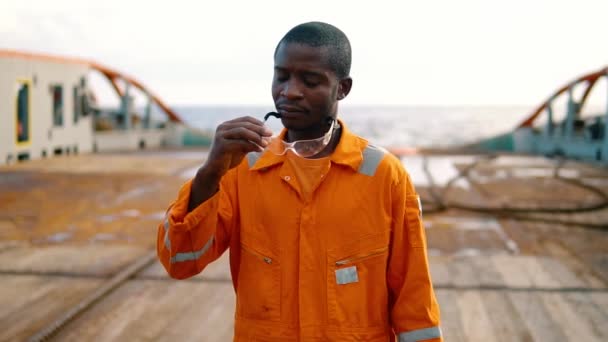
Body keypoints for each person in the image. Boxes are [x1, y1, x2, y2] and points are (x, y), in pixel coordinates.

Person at [157, 21, 442, 341]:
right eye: (281, 76)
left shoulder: (383, 176)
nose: (290, 91)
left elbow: (414, 299)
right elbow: (180, 260)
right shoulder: (241, 171)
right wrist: (211, 171)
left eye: (310, 80)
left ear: (343, 88)